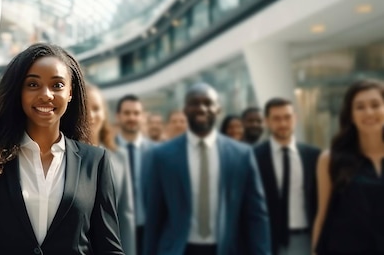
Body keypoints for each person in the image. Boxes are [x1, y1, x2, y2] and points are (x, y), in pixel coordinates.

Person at [0, 43, 123, 255]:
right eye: (33, 84)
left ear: (70, 92)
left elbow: (109, 248)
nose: (46, 95)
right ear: (18, 92)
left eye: (57, 85)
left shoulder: (95, 162)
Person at [143, 83, 271, 255]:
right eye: (194, 103)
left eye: (208, 103)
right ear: (185, 109)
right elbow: (154, 217)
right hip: (179, 249)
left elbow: (256, 215)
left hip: (227, 249)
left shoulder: (242, 155)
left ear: (218, 108)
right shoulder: (162, 156)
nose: (201, 108)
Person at [312, 79, 384, 254]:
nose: (368, 112)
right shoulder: (330, 159)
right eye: (360, 107)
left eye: (375, 105)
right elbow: (322, 216)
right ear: (350, 115)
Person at [254, 98, 320, 255]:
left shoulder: (313, 156)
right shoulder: (254, 156)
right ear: (266, 121)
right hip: (268, 240)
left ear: (295, 118)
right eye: (276, 119)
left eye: (287, 117)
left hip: (306, 238)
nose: (283, 124)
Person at [86, 84, 136, 255]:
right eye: (85, 109)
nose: (91, 115)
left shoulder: (119, 157)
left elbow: (126, 215)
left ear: (104, 113)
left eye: (96, 108)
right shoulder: (63, 156)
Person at [115, 94, 154, 255]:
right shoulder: (105, 152)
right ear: (118, 116)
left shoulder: (156, 152)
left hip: (150, 229)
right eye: (127, 113)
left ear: (143, 117)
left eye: (136, 113)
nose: (132, 117)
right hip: (118, 231)